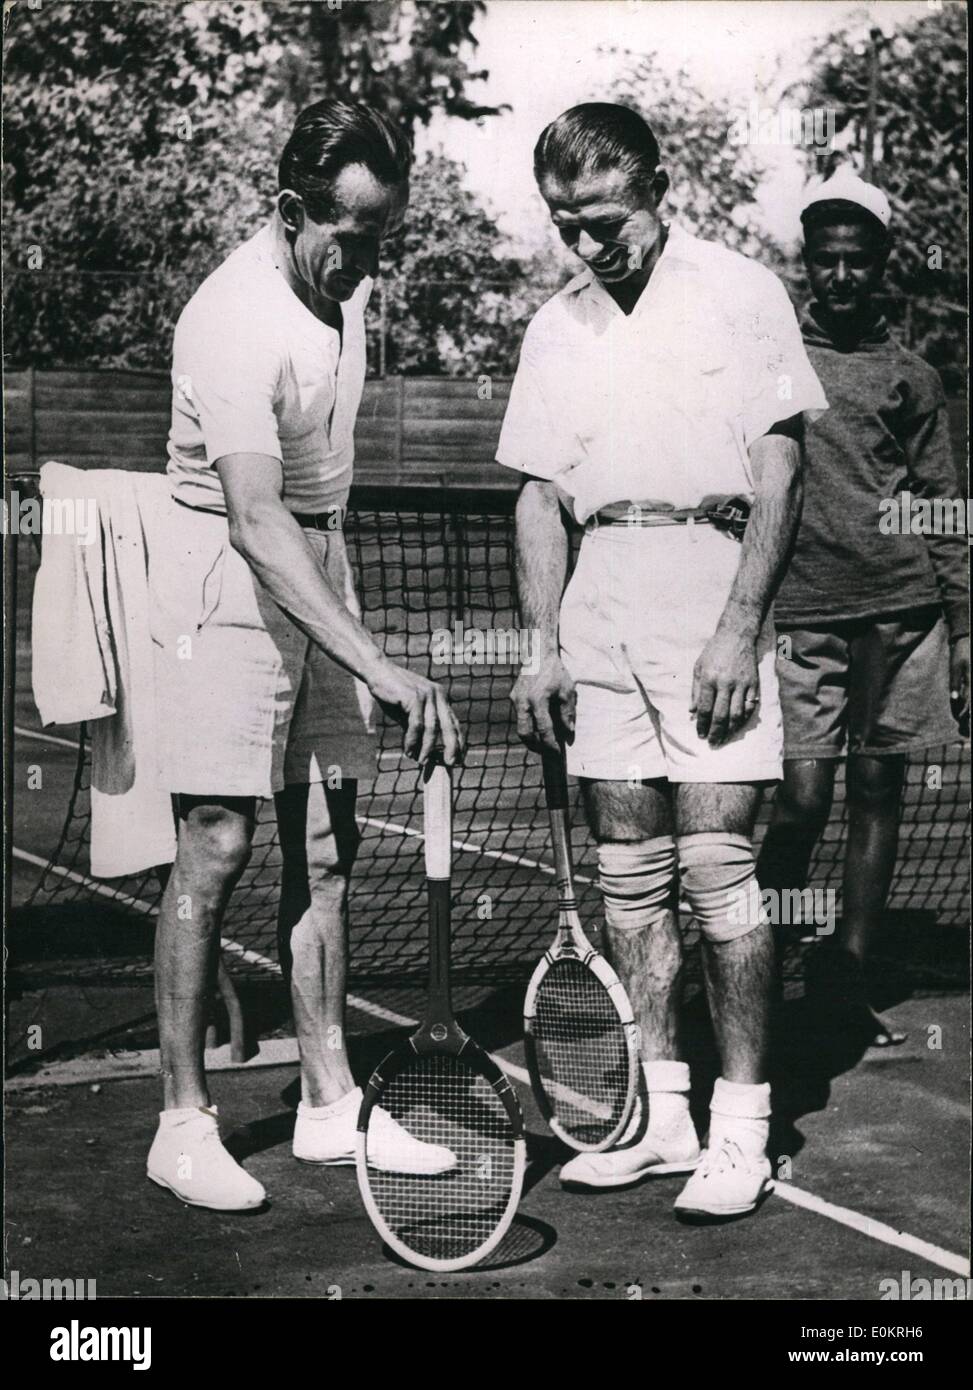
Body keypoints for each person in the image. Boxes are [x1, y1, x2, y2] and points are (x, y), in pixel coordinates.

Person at [499, 103, 828, 1221]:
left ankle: (742, 1129)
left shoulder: (742, 293)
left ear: (658, 186)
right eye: (565, 226)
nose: (587, 245)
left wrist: (739, 624)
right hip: (600, 598)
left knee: (719, 869)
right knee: (629, 879)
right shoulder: (554, 326)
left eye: (604, 220)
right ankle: (661, 1114)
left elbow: (782, 473)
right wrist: (540, 644)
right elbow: (540, 496)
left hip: (707, 587)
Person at [148, 99, 462, 1210]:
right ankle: (182, 1120)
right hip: (223, 570)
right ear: (290, 212)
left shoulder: (350, 284)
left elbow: (311, 508)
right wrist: (379, 662)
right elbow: (252, 516)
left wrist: (349, 622)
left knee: (325, 845)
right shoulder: (229, 319)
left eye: (384, 236)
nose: (369, 262)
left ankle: (330, 1103)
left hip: (320, 562)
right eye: (353, 238)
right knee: (218, 840)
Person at [757, 171, 970, 1046]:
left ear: (881, 264)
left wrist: (963, 630)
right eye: (823, 260)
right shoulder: (772, 364)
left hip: (899, 612)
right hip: (801, 613)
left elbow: (942, 504)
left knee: (878, 789)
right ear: (807, 263)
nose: (838, 277)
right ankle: (758, 964)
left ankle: (845, 974)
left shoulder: (908, 376)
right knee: (801, 799)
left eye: (856, 261)